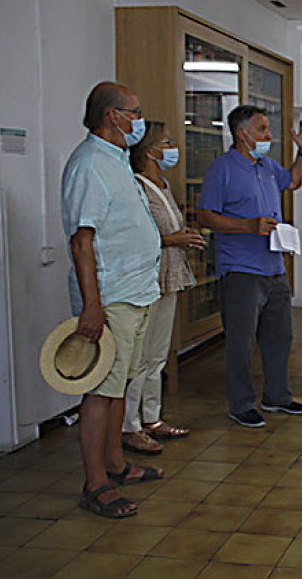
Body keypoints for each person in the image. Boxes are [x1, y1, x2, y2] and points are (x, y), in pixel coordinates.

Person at [61, 81, 164, 519]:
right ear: (112, 115)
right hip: (111, 296)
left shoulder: (117, 159)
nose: (139, 120)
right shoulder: (89, 164)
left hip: (136, 292)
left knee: (119, 383)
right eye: (134, 112)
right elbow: (81, 241)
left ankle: (116, 463)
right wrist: (92, 305)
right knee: (100, 390)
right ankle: (95, 484)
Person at [198, 106, 302, 428]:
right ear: (242, 134)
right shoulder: (222, 169)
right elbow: (205, 216)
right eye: (262, 129)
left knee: (280, 337)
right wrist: (248, 226)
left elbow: (293, 181)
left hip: (273, 265)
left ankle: (277, 396)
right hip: (241, 269)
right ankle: (241, 404)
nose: (269, 136)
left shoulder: (266, 166)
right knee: (241, 342)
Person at [122, 122, 203, 454]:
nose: (173, 148)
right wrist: (173, 240)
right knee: (139, 357)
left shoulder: (163, 185)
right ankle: (130, 425)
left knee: (158, 354)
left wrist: (182, 239)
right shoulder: (135, 186)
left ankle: (152, 418)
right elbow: (135, 235)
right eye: (167, 142)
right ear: (149, 150)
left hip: (169, 275)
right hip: (147, 278)